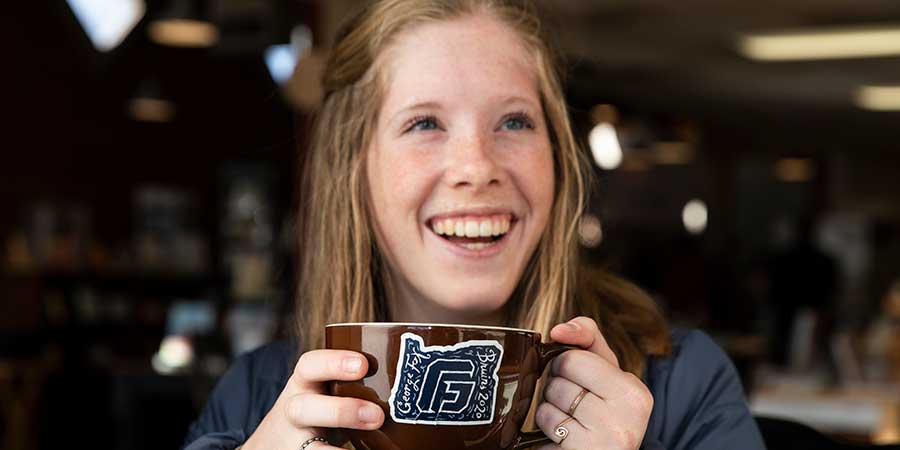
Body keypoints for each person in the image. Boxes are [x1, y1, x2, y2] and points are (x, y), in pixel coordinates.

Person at [182, 1, 766, 449]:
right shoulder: (257, 399)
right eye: (424, 124)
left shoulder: (682, 385)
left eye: (513, 122)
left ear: (557, 158)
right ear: (353, 168)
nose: (477, 168)